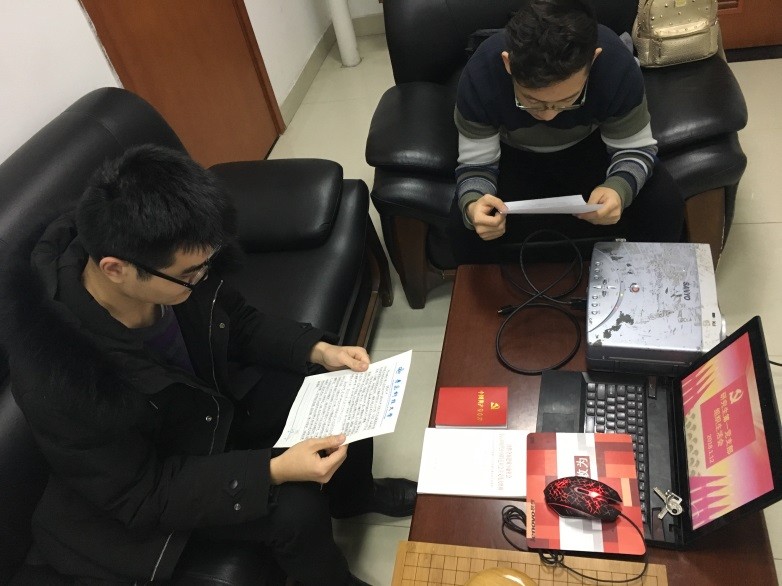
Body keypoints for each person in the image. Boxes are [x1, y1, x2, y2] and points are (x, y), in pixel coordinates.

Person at [0, 145, 415, 585]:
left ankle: (355, 497)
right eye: (191, 273)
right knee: (296, 509)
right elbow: (141, 494)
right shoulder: (59, 375)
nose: (202, 278)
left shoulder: (169, 263)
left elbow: (238, 321)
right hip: (163, 465)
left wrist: (318, 349)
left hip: (208, 403)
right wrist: (272, 470)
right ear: (116, 269)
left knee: (340, 390)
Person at [449, 0, 685, 264]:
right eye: (531, 100)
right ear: (508, 64)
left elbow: (636, 149)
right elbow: (476, 167)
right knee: (464, 225)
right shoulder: (480, 75)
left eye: (567, 100)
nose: (549, 115)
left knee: (663, 201)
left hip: (589, 149)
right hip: (513, 156)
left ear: (593, 60)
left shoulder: (616, 66)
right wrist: (474, 205)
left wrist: (619, 189)